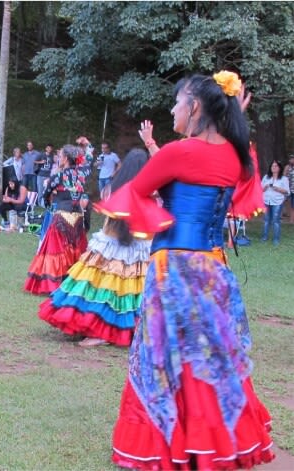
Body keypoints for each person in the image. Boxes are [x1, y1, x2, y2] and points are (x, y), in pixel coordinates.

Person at [96, 72, 273, 469]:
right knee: (210, 354)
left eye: (177, 102)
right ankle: (214, 441)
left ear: (194, 106)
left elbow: (135, 192)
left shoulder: (178, 153)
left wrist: (155, 205)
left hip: (175, 268)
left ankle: (171, 443)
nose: (173, 110)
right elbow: (245, 180)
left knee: (166, 354)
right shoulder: (236, 155)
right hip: (214, 267)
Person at [38, 149, 150, 347]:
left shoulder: (113, 188)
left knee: (100, 288)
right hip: (132, 247)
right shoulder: (144, 191)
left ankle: (100, 330)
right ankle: (115, 329)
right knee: (124, 291)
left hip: (112, 244)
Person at [24, 145, 91, 295]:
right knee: (76, 251)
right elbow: (90, 160)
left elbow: (45, 196)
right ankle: (74, 285)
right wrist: (87, 144)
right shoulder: (83, 173)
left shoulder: (58, 177)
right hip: (78, 218)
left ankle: (54, 285)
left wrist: (50, 203)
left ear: (66, 158)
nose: (58, 158)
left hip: (61, 216)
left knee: (57, 251)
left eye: (60, 156)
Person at [260, 160, 289, 246]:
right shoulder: (266, 177)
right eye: (272, 166)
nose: (274, 167)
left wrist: (277, 189)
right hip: (266, 201)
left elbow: (287, 191)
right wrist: (265, 187)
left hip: (277, 201)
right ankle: (264, 237)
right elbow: (260, 189)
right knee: (266, 220)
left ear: (279, 168)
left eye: (276, 166)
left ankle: (276, 239)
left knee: (276, 221)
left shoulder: (284, 179)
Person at [286, 153, 294, 223]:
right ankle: (290, 219)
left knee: (293, 205)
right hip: (288, 189)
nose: (292, 160)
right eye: (291, 159)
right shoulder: (287, 167)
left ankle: (291, 220)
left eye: (293, 159)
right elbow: (284, 176)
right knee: (289, 203)